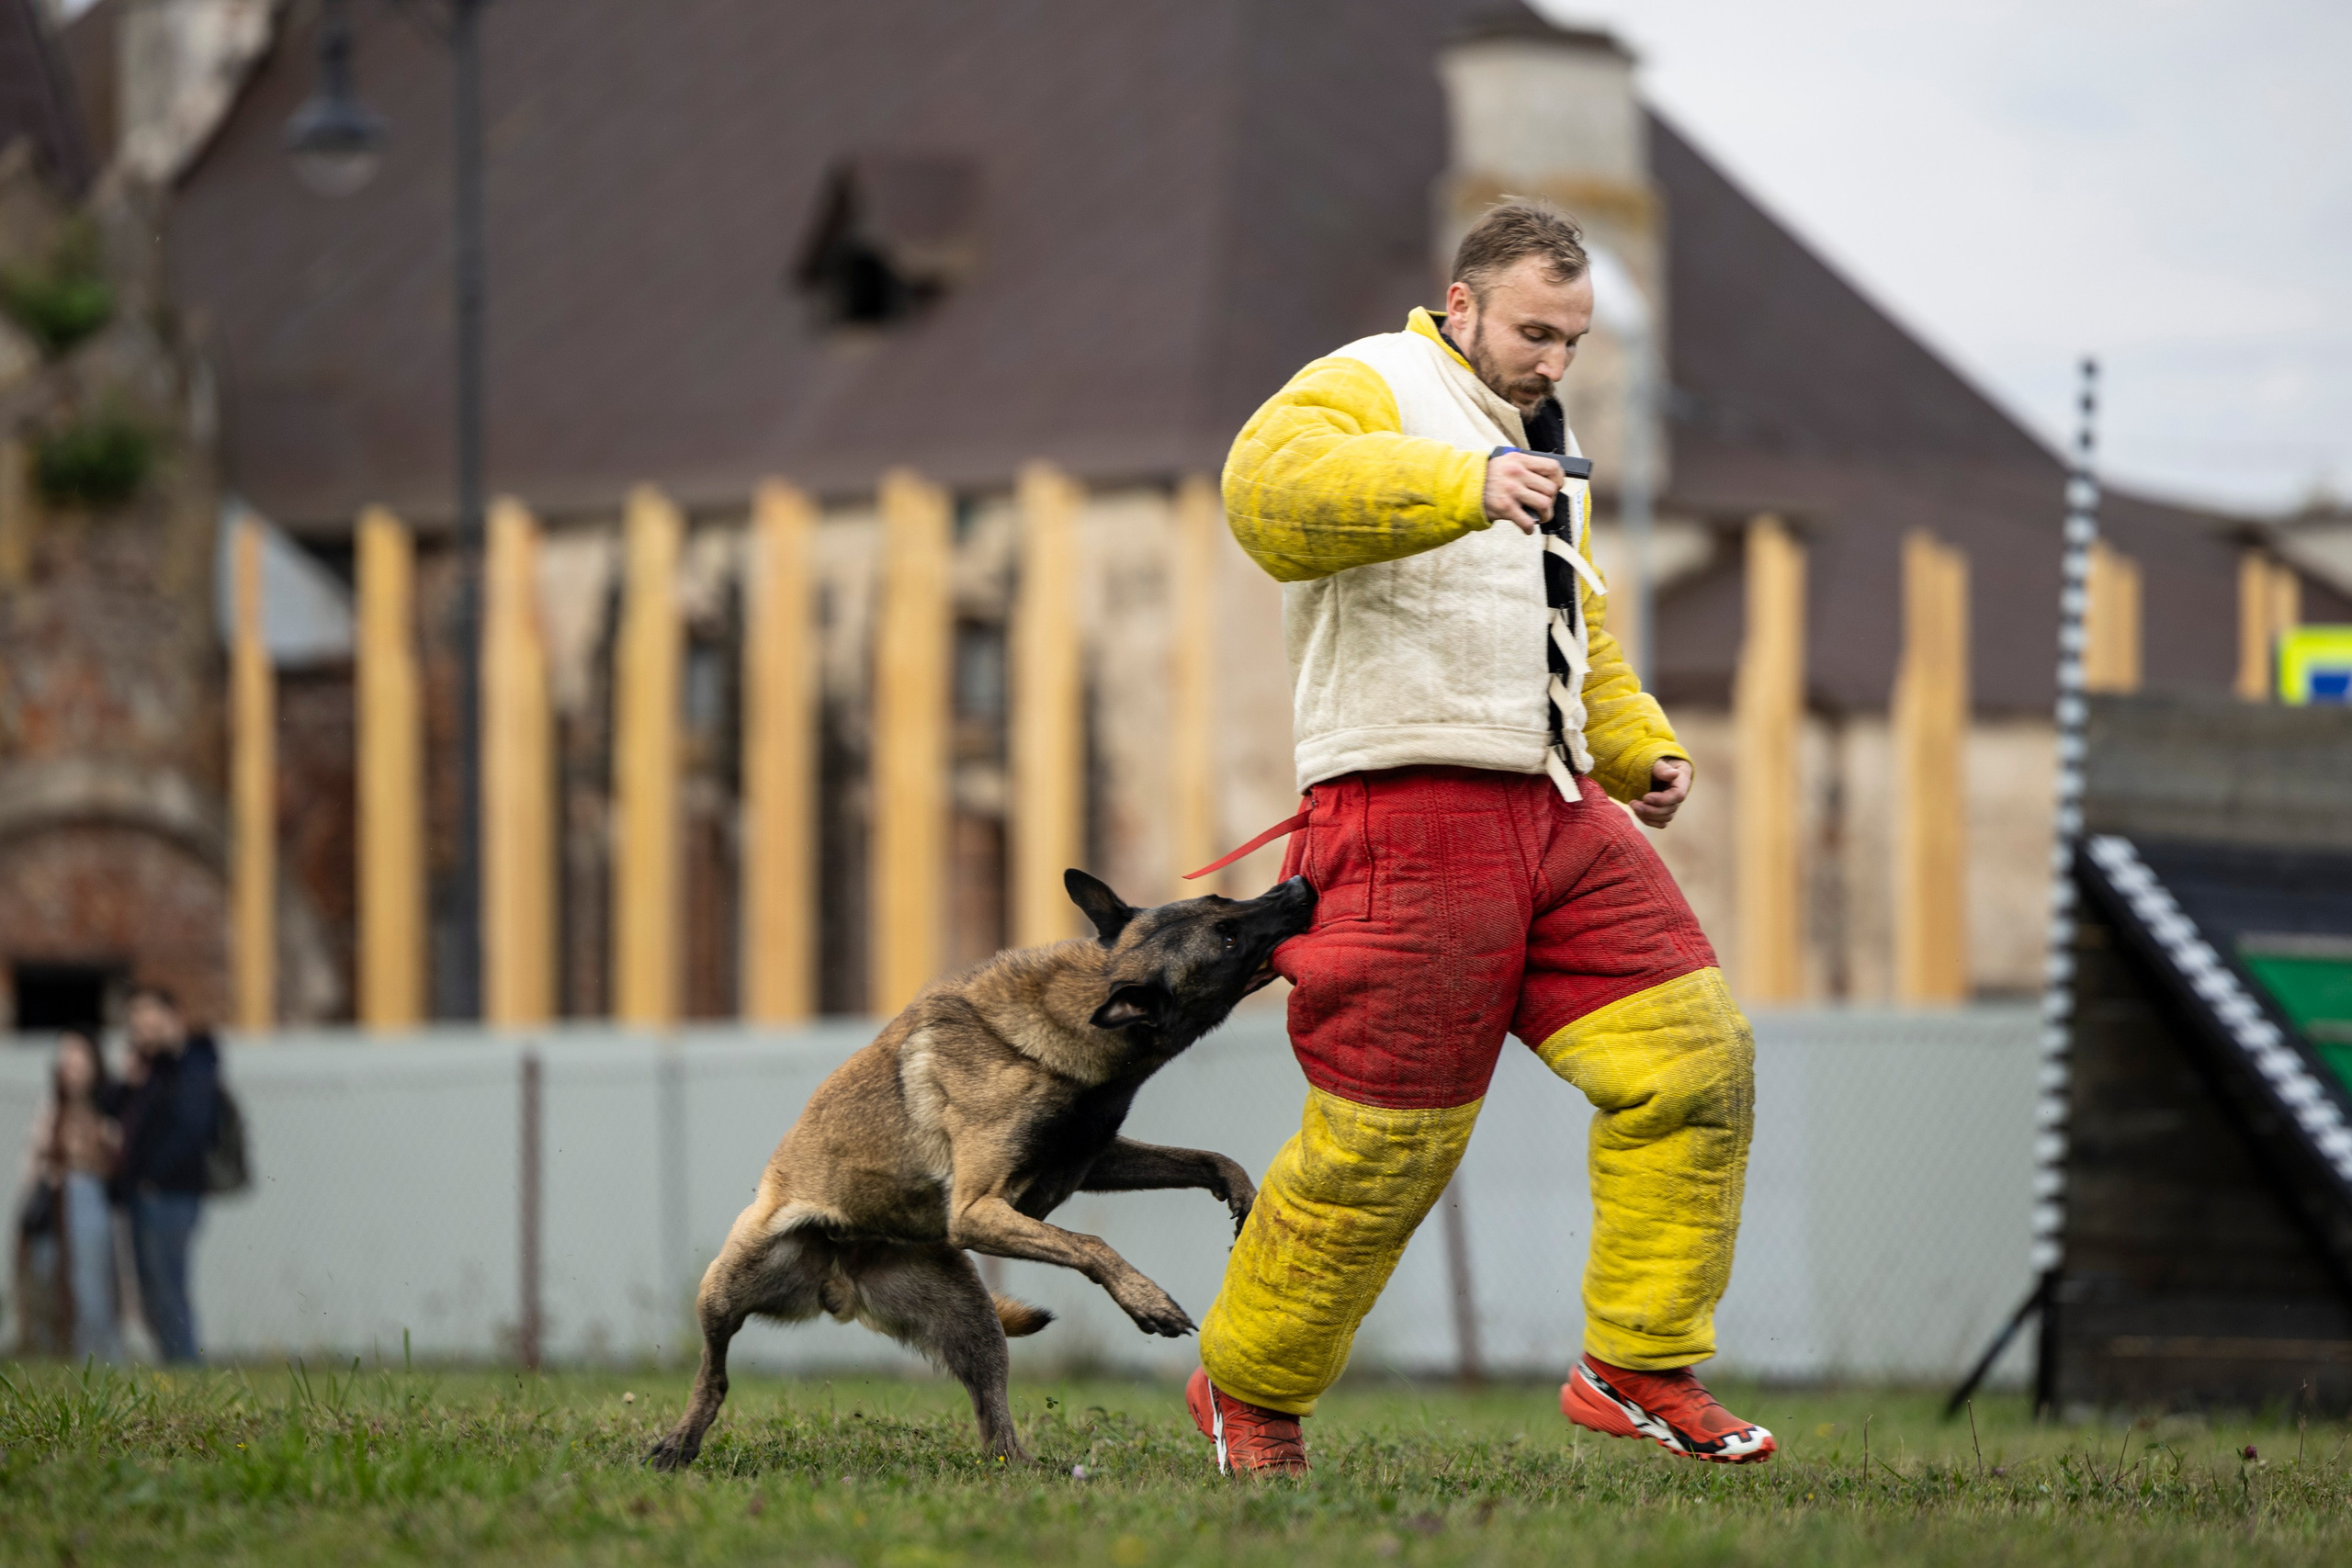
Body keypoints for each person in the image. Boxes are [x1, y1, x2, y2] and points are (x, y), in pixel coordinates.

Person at [1185, 202, 1772, 1473]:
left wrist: (1637, 747)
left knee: (1694, 1063)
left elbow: (1573, 623)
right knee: (1384, 1145)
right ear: (1460, 305)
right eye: (1532, 332)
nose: (1553, 361)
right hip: (1403, 813)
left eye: (1572, 339)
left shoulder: (1545, 439)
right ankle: (1249, 1389)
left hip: (1556, 808)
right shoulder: (1370, 381)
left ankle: (1636, 1361)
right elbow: (1264, 497)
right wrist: (1463, 484)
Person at [112, 984, 217, 1364]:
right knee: (150, 1289)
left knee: (168, 1286)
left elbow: (191, 1127)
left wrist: (153, 1176)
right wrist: (128, 1083)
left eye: (149, 1021)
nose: (142, 1031)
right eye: (136, 1024)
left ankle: (186, 1368)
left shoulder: (192, 1063)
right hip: (144, 1193)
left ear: (172, 1019)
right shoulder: (146, 1071)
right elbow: (114, 1113)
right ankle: (172, 1366)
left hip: (171, 1193)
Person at [13, 1029, 125, 1359]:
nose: (71, 1070)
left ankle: (99, 1359)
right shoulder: (51, 1111)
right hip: (51, 1209)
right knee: (44, 1280)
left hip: (89, 1204)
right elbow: (32, 1164)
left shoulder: (108, 1109)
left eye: (79, 1062)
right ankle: (52, 1357)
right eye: (66, 1063)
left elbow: (115, 1160)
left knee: (91, 1287)